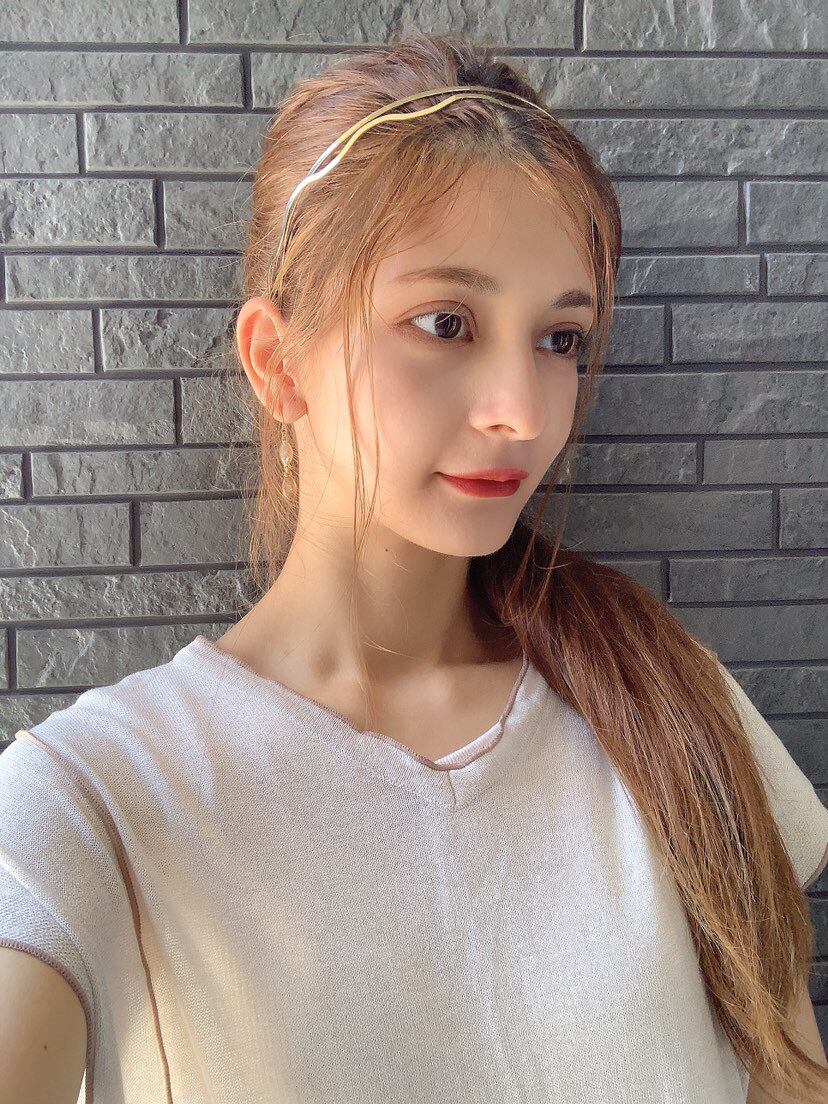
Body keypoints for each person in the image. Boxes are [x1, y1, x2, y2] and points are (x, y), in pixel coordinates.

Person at [1, 29, 826, 1104]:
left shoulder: (669, 706)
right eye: (446, 324)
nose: (523, 412)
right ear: (277, 363)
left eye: (561, 339)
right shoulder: (96, 802)